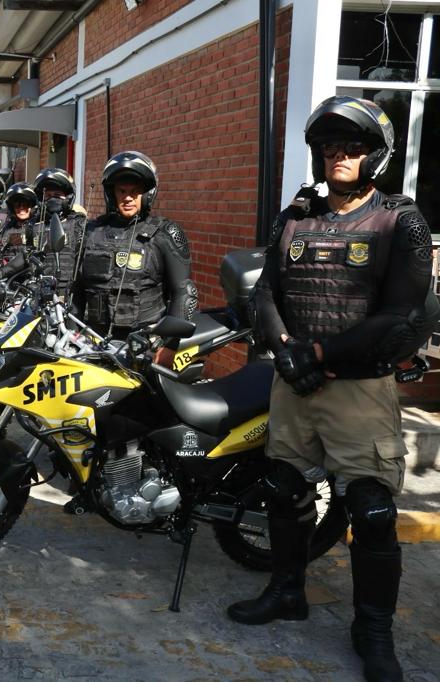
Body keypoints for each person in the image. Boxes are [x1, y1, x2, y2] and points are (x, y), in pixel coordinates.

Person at [230, 96, 436, 682]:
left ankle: (373, 630)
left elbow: (400, 313)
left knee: (371, 512)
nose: (338, 155)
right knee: (283, 488)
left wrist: (317, 353)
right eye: (329, 147)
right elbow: (266, 290)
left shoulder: (402, 221)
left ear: (377, 154)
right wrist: (284, 350)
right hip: (294, 382)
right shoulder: (296, 216)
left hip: (359, 389)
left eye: (351, 146)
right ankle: (286, 591)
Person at [73, 154, 197, 364]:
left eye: (135, 192)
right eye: (122, 191)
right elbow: (77, 289)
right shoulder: (90, 232)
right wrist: (72, 333)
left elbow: (184, 292)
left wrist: (169, 345)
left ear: (147, 194)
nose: (128, 198)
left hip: (146, 345)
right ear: (111, 194)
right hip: (92, 343)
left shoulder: (166, 233)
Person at [32, 168, 88, 297]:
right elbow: (25, 257)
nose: (52, 200)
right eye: (48, 196)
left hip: (70, 295)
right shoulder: (34, 226)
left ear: (68, 197)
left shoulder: (79, 224)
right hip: (39, 294)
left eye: (57, 196)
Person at [0, 181, 39, 262]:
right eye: (17, 205)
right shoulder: (6, 228)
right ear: (12, 208)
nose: (21, 208)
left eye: (26, 205)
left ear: (32, 207)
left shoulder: (37, 227)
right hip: (8, 272)